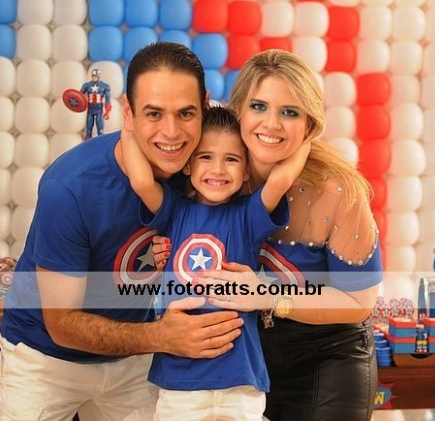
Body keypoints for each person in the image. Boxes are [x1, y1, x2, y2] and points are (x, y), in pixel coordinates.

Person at [0, 43, 244, 421]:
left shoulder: (206, 174)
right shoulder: (71, 187)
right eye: (154, 113)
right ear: (128, 112)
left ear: (205, 107)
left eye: (186, 113)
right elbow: (62, 324)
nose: (172, 132)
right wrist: (163, 337)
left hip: (134, 357)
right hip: (46, 358)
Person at [154, 49, 383, 420]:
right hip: (240, 361)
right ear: (238, 111)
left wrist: (265, 294)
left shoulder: (337, 191)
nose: (271, 124)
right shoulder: (211, 171)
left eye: (290, 112)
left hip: (326, 358)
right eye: (258, 106)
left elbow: (359, 301)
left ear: (309, 125)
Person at [121, 105, 309, 420]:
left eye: (231, 159)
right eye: (206, 156)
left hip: (240, 379)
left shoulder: (247, 216)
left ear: (246, 169)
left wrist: (310, 130)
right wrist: (129, 122)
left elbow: (282, 178)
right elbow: (141, 181)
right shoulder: (174, 211)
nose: (218, 169)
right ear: (187, 164)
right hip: (181, 381)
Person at [81, 68, 112, 139]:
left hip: (99, 110)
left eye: (95, 76)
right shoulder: (87, 85)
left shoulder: (104, 86)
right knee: (88, 130)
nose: (94, 77)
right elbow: (79, 96)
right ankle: (88, 143)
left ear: (98, 76)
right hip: (90, 109)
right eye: (93, 76)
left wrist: (107, 111)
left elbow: (108, 99)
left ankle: (100, 143)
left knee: (100, 130)